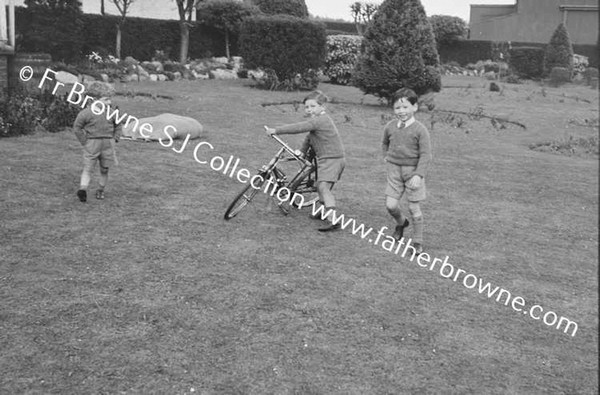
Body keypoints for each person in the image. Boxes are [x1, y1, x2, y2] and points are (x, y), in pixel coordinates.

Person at [265, 90, 345, 232]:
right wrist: (302, 152)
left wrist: (276, 130)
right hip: (325, 160)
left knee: (323, 188)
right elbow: (309, 138)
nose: (309, 109)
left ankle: (334, 221)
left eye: (313, 106)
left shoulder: (321, 120)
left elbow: (299, 128)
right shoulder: (317, 123)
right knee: (320, 186)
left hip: (333, 159)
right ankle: (323, 211)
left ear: (322, 107)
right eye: (307, 107)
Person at [382, 88, 432, 255]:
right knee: (391, 205)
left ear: (414, 107)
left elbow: (426, 154)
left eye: (405, 107)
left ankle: (417, 241)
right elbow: (384, 144)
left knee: (414, 208)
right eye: (397, 108)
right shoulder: (390, 127)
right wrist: (386, 156)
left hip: (413, 173)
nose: (401, 111)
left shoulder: (420, 129)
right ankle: (401, 223)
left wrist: (418, 175)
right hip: (394, 170)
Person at [73, 95, 121, 202]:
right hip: (92, 143)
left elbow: (118, 125)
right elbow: (77, 127)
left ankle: (100, 190)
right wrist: (84, 141)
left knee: (105, 169)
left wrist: (115, 138)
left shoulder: (112, 112)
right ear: (95, 100)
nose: (109, 102)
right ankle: (83, 189)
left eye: (110, 99)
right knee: (88, 168)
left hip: (107, 144)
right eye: (106, 99)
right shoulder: (86, 113)